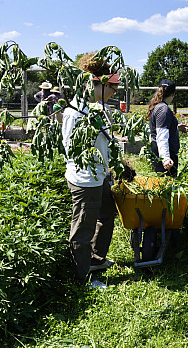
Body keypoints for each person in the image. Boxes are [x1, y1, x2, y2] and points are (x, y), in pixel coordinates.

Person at [62, 75, 120, 288]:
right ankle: (82, 278)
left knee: (106, 215)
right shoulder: (76, 111)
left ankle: (95, 260)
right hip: (85, 178)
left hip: (100, 174)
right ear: (101, 84)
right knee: (83, 227)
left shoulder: (95, 108)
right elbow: (71, 147)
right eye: (113, 87)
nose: (114, 92)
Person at [147, 79, 182, 177]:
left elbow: (159, 127)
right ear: (173, 94)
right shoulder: (164, 109)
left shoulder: (158, 106)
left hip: (158, 151)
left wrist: (176, 127)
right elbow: (162, 135)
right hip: (164, 154)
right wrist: (166, 158)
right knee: (167, 186)